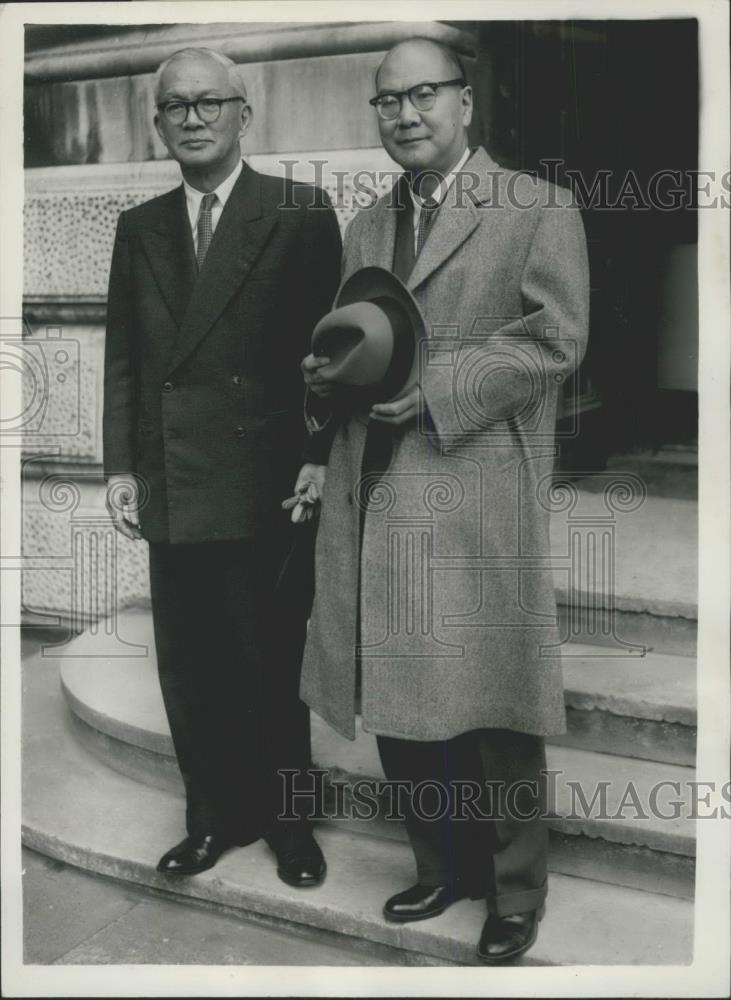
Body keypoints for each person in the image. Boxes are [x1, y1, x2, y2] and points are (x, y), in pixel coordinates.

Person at [300, 37, 589, 962]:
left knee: (491, 708)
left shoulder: (535, 206)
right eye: (386, 101)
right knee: (396, 692)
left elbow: (555, 339)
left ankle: (513, 890)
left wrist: (438, 386)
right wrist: (324, 376)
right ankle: (440, 864)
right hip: (374, 483)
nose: (405, 114)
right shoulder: (365, 226)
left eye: (423, 95)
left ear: (468, 103)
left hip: (471, 485)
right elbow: (359, 343)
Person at [103, 47, 342, 884]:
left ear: (246, 113)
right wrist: (120, 468)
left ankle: (289, 823)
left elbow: (332, 356)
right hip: (172, 479)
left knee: (271, 659)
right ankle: (209, 816)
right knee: (190, 662)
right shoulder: (140, 228)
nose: (194, 118)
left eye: (210, 103)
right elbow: (127, 359)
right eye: (176, 107)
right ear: (158, 124)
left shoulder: (300, 212)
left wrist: (318, 457)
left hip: (267, 483)